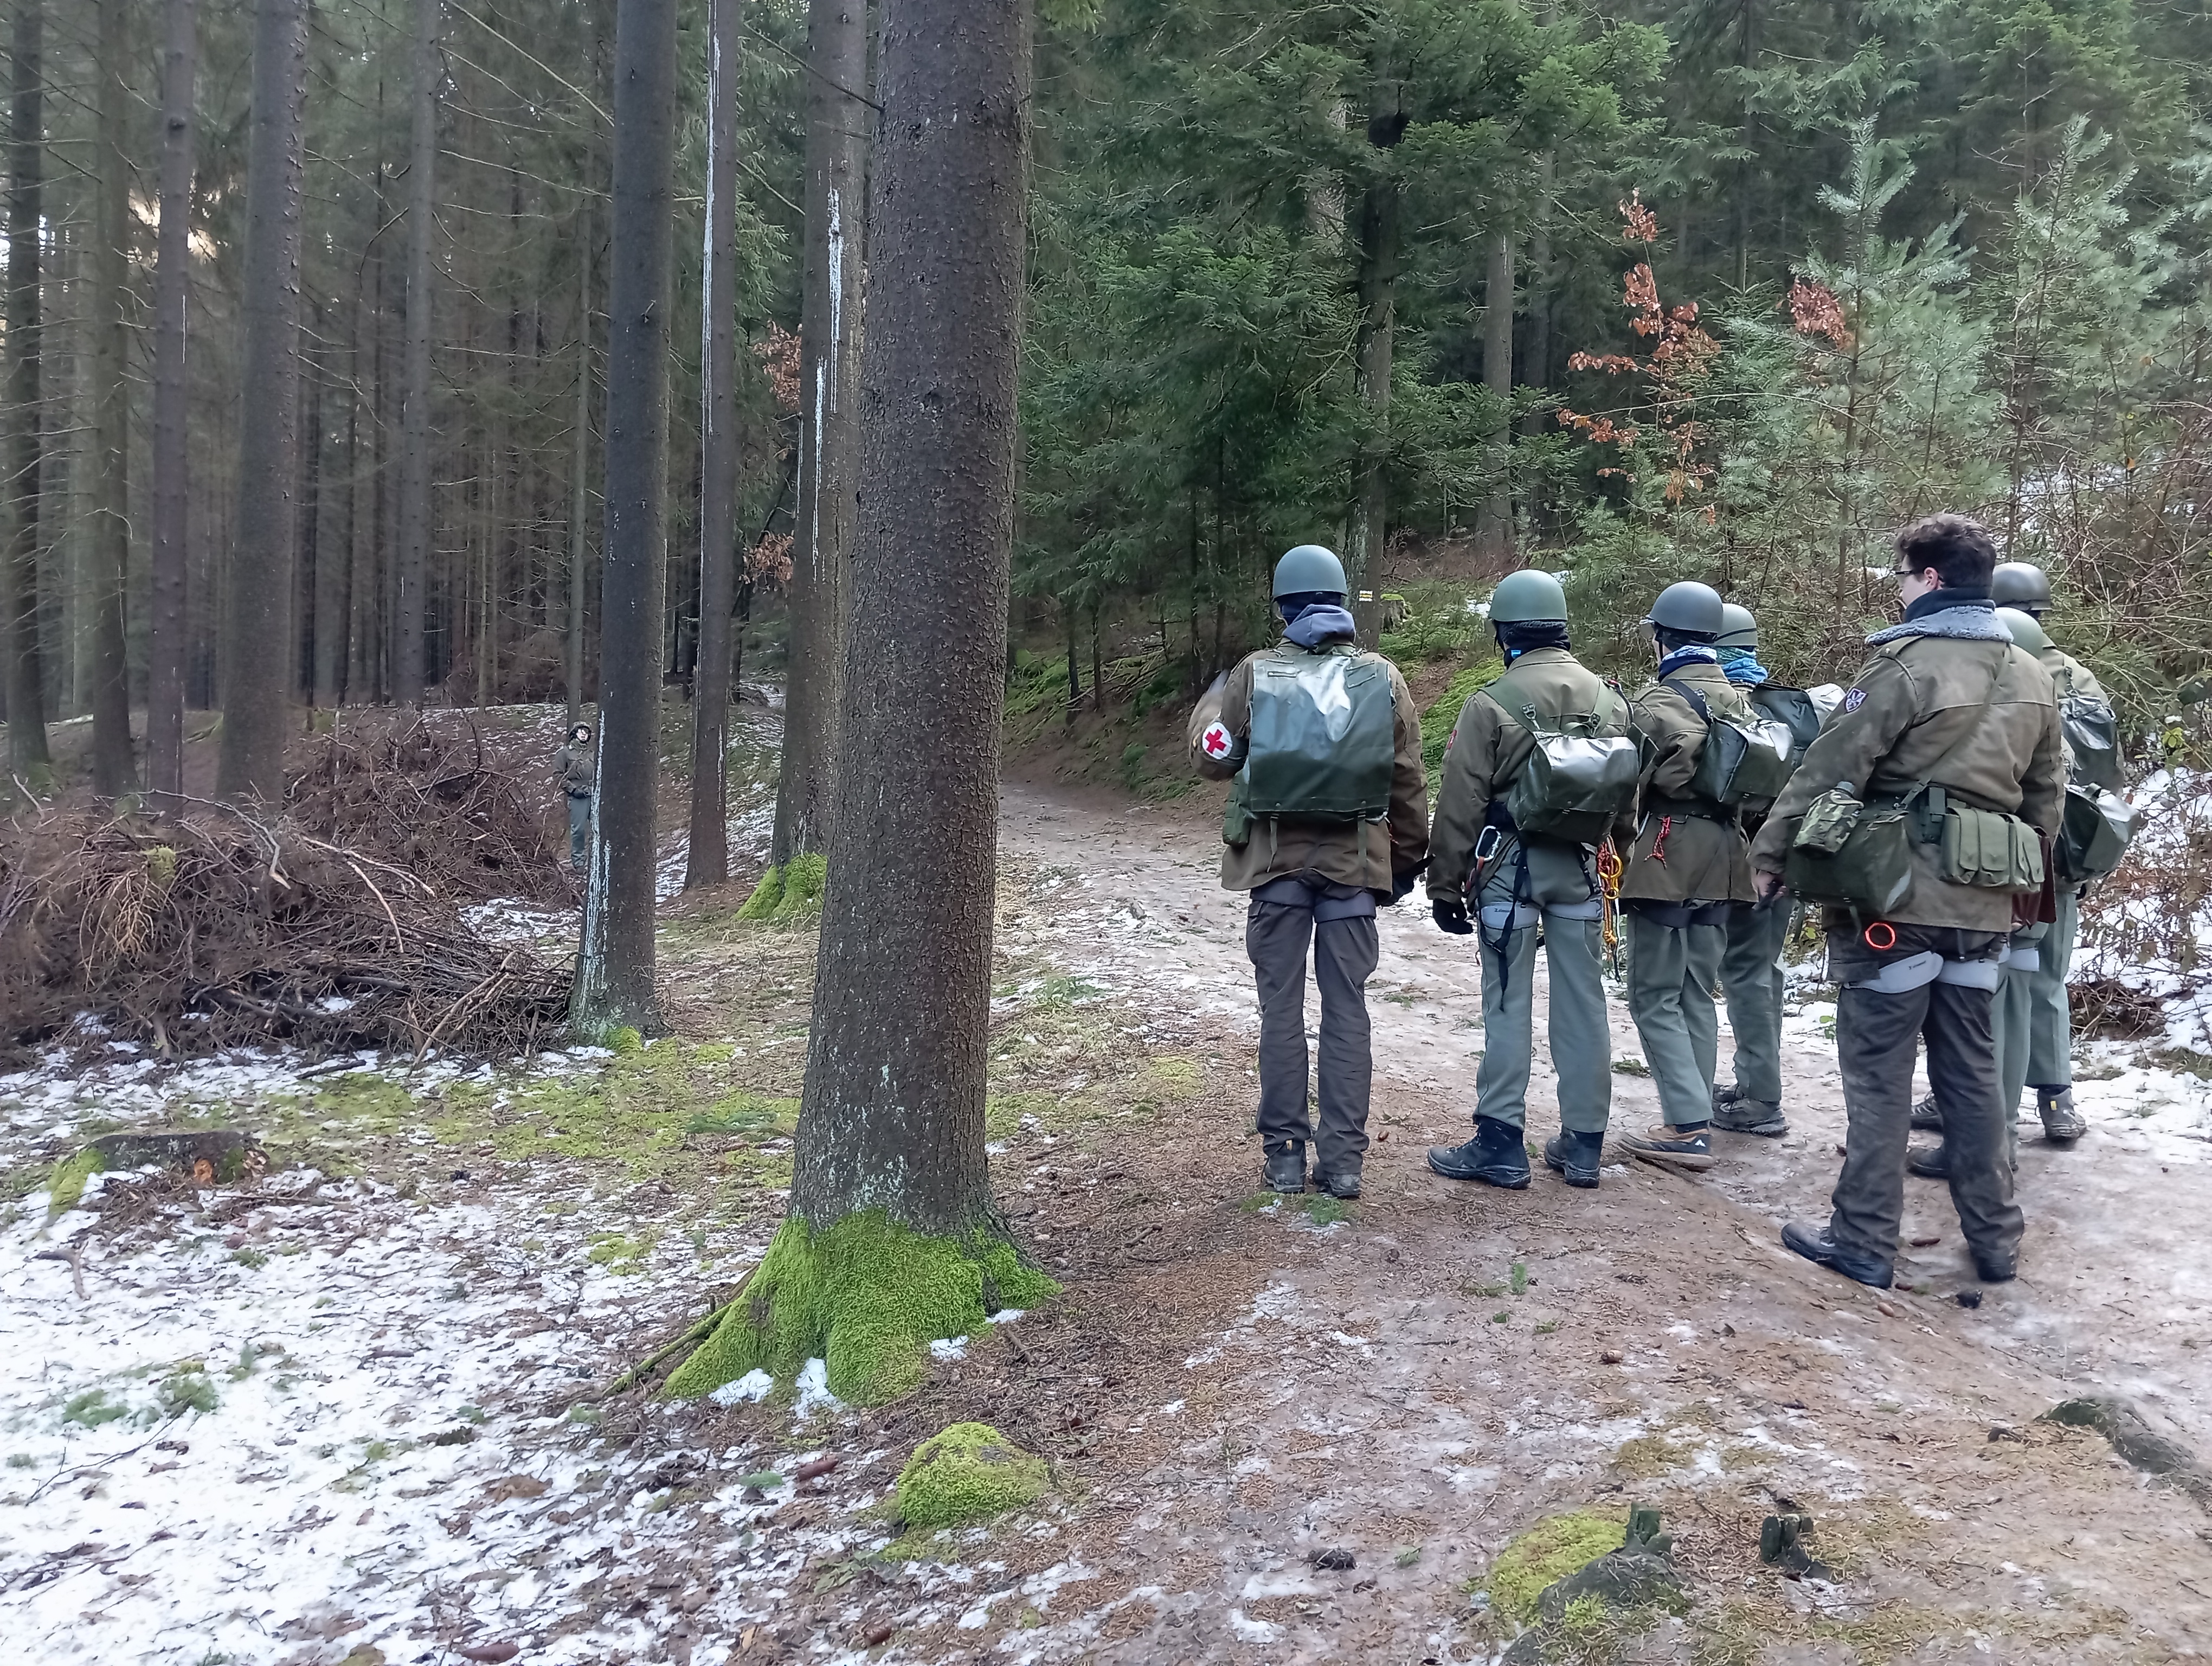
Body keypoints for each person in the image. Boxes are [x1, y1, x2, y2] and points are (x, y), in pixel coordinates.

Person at [1753, 514, 2060, 1288]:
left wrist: (1770, 855)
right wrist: (2024, 886)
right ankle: (1996, 1240)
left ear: (1929, 578)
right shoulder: (2033, 676)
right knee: (1972, 1075)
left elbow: (1830, 769)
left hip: (1892, 898)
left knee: (1880, 1074)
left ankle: (1862, 1239)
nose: (1897, 590)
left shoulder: (1905, 665)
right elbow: (2045, 802)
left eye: (1901, 575)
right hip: (1985, 903)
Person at [1189, 544, 1429, 1200]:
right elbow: (1408, 782)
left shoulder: (1253, 674)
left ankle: (1286, 1157)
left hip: (1276, 870)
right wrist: (1405, 862)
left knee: (1281, 1011)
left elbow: (1214, 759)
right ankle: (1344, 1162)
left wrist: (1210, 706)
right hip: (1354, 869)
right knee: (1348, 1009)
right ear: (1343, 603)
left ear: (1283, 608)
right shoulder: (1383, 677)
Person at [1425, 569, 1635, 1190]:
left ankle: (1500, 1142)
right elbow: (1626, 801)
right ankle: (1584, 1144)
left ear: (1504, 633)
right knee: (1584, 1003)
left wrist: (1444, 885)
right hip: (1581, 870)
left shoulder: (1490, 703)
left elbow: (1460, 803)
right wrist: (1614, 860)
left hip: (1506, 871)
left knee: (1507, 1002)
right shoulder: (1612, 702)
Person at [1908, 605, 2097, 1180]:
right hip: (2046, 877)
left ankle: (1986, 1145)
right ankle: (2029, 1119)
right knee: (2028, 998)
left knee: (1983, 1011)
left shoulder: (1991, 709)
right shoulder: (2070, 697)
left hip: (1994, 878)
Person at [1614, 581, 1760, 1172]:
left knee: (1653, 994)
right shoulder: (1741, 701)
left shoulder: (1655, 704)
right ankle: (1693, 1115)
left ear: (1661, 637)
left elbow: (1624, 791)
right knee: (1698, 991)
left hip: (1668, 852)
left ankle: (1686, 1125)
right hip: (1728, 857)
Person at [1709, 603, 1796, 1138]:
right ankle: (1755, 1083)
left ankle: (1761, 1098)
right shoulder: (1785, 707)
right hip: (1786, 861)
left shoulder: (1726, 710)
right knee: (1764, 969)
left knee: (1745, 972)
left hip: (1746, 864)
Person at [556, 721, 596, 871]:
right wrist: (573, 790)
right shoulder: (565, 753)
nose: (584, 734)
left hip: (594, 793)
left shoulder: (593, 754)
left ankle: (595, 860)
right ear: (574, 733)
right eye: (581, 731)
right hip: (577, 795)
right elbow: (558, 775)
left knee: (598, 829)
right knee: (579, 830)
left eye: (587, 732)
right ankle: (579, 862)